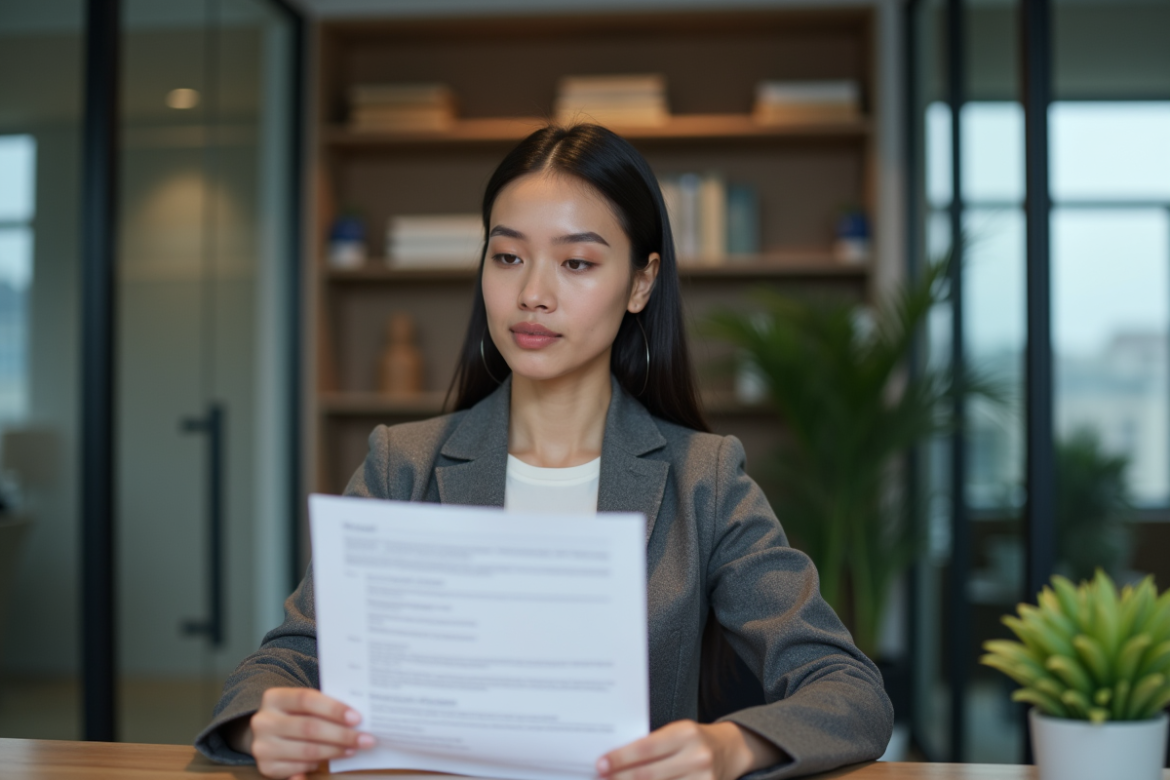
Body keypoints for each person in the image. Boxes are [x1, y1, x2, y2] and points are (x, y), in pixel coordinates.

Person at [195, 124, 893, 780]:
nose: (532, 293)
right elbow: (288, 658)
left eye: (577, 261)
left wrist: (729, 745)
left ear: (641, 283)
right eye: (507, 257)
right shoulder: (400, 465)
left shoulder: (703, 480)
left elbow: (849, 691)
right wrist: (262, 721)